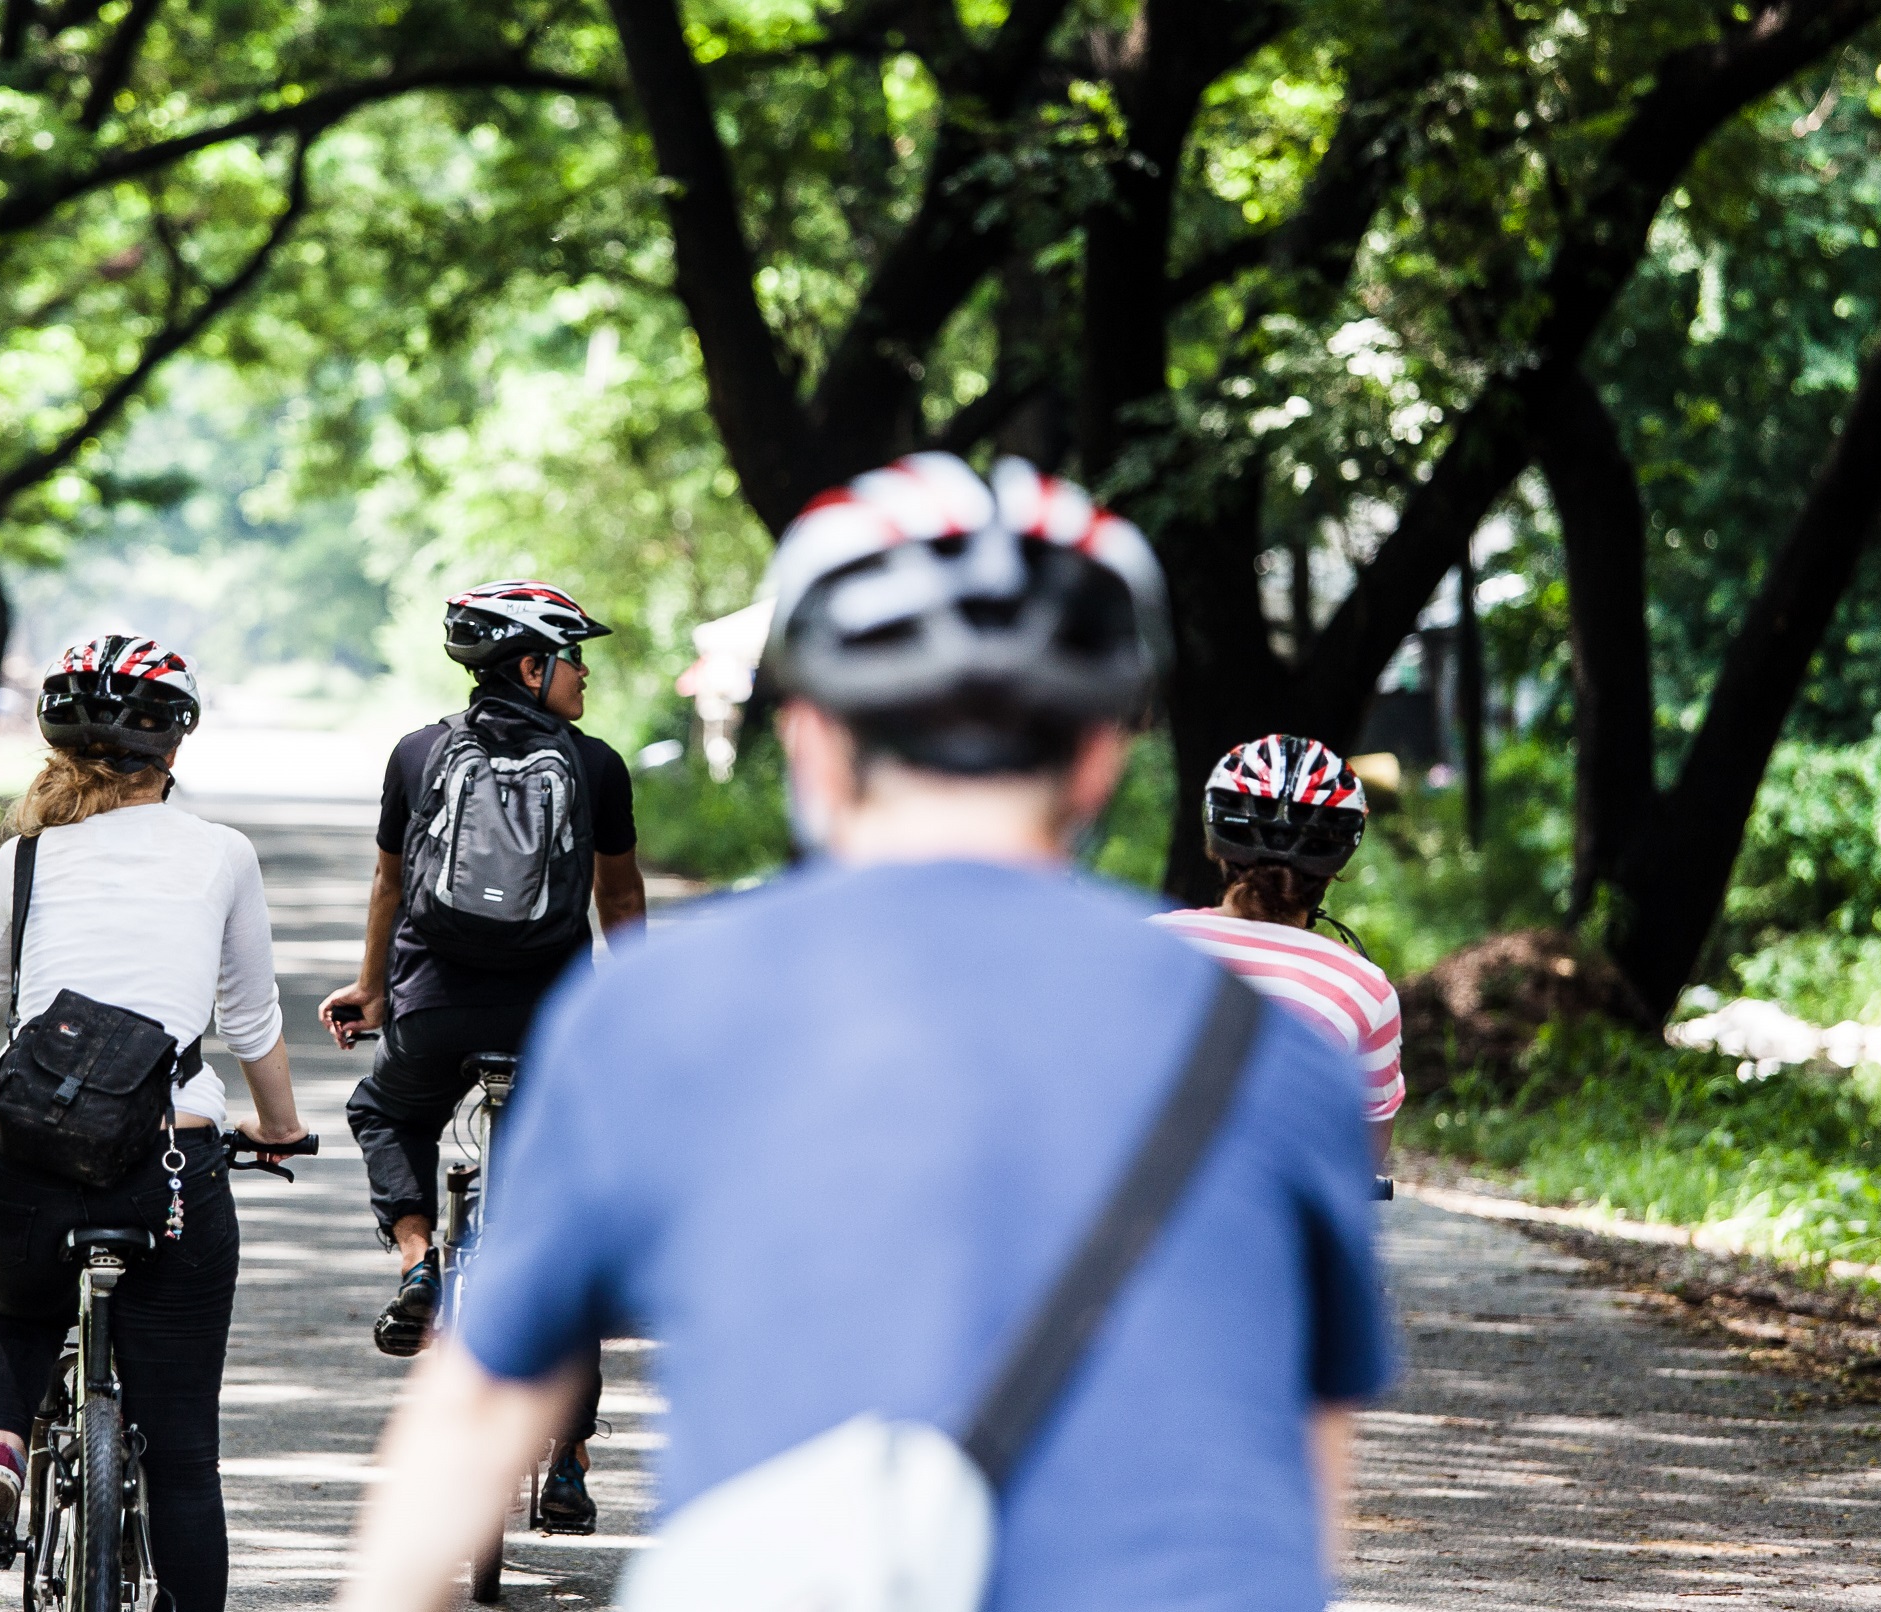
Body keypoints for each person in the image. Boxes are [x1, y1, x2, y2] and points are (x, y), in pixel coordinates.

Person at [337, 454, 1394, 1612]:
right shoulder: (1270, 1050)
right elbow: (1304, 1467)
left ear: (809, 737)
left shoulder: (658, 1013)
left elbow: (477, 1417)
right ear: (1099, 755)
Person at [0, 635, 309, 1612]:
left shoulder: (25, 857)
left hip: (24, 1157)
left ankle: (1, 1443)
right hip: (169, 1167)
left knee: (8, 1311)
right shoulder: (222, 854)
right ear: (175, 745)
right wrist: (278, 1128)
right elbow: (250, 1019)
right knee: (185, 1461)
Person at [317, 578, 645, 1533]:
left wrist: (373, 989)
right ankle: (569, 1460)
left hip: (434, 1013)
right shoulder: (595, 765)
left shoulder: (417, 754)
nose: (584, 675)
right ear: (531, 666)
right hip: (552, 1022)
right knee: (563, 1234)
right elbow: (620, 901)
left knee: (387, 1111)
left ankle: (419, 1259)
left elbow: (388, 884)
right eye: (573, 658)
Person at [1153, 735, 1403, 1166]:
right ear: (1337, 862)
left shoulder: (1151, 942)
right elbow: (1365, 1153)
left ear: (1217, 846)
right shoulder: (1366, 989)